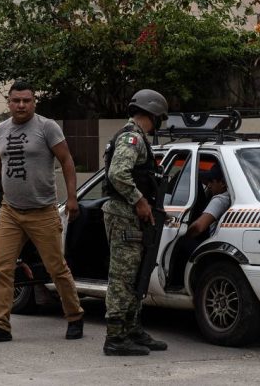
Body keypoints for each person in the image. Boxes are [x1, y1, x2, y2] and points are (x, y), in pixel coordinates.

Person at [0, 79, 84, 344]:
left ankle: (75, 316)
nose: (21, 105)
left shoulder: (47, 127)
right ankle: (0, 326)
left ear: (33, 102)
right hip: (11, 211)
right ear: (8, 102)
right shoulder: (1, 130)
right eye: (16, 100)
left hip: (43, 210)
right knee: (1, 268)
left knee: (56, 268)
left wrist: (72, 198)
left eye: (26, 100)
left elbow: (66, 160)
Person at [102, 89, 168, 356]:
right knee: (122, 277)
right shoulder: (132, 138)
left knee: (136, 275)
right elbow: (118, 173)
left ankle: (132, 329)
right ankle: (115, 337)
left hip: (130, 216)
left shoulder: (136, 137)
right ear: (153, 113)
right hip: (124, 215)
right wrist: (139, 201)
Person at [169, 163, 231, 286]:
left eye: (211, 182)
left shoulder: (220, 199)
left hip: (211, 250)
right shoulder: (230, 196)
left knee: (179, 244)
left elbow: (199, 227)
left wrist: (181, 236)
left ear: (223, 183)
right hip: (222, 249)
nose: (208, 185)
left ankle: (176, 282)